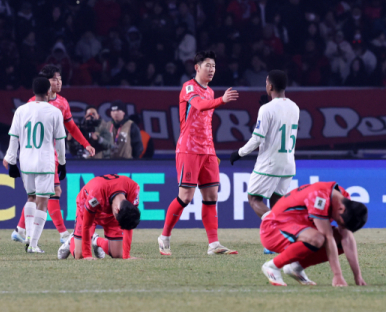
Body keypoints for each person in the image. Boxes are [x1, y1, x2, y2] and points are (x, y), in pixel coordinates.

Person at [158, 51, 239, 256]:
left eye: (213, 66)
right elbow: (200, 106)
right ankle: (164, 236)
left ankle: (213, 244)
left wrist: (211, 149)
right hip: (188, 149)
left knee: (211, 196)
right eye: (207, 65)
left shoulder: (210, 91)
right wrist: (222, 100)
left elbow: (206, 122)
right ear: (197, 67)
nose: (211, 69)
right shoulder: (189, 88)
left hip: (208, 150)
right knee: (185, 197)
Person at [11, 65, 95, 245]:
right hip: (43, 156)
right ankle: (63, 233)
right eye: (54, 79)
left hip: (52, 155)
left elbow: (71, 127)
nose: (58, 82)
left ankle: (20, 229)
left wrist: (86, 143)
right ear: (45, 83)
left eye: (60, 79)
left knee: (37, 195)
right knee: (51, 192)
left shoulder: (63, 103)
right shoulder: (33, 102)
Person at [260, 182, 368, 287]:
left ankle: (295, 267)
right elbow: (328, 237)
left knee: (339, 239)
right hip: (272, 230)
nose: (339, 225)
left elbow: (347, 238)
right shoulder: (319, 197)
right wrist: (337, 275)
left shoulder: (343, 198)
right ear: (341, 209)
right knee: (318, 238)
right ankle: (272, 266)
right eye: (340, 222)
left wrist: (358, 276)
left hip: (296, 228)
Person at [3, 77, 67, 253]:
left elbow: (13, 137)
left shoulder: (21, 110)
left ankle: (29, 237)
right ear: (48, 92)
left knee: (31, 198)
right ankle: (33, 244)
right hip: (45, 162)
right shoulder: (55, 112)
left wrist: (11, 160)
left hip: (26, 161)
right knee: (43, 203)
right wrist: (62, 163)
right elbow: (60, 141)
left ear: (33, 91)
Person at [230, 70, 299, 218]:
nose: (265, 85)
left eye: (266, 83)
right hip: (288, 163)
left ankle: (278, 226)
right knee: (277, 202)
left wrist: (238, 153)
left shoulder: (266, 109)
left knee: (254, 199)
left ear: (271, 87)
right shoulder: (294, 107)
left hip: (270, 163)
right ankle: (282, 237)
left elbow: (257, 139)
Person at [57, 174, 141, 260]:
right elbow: (87, 224)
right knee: (80, 255)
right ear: (117, 210)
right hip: (87, 207)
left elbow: (128, 224)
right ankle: (72, 240)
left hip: (109, 206)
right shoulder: (96, 194)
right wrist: (87, 255)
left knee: (118, 254)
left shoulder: (133, 190)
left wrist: (126, 256)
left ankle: (95, 240)